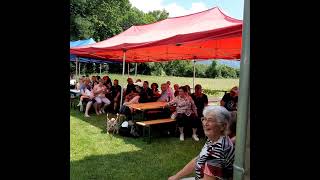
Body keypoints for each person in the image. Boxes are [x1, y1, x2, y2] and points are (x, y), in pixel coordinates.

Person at [168, 106, 235, 180]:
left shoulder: (218, 150)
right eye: (204, 119)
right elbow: (198, 159)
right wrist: (176, 177)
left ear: (223, 126)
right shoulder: (215, 138)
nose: (205, 123)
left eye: (210, 120)